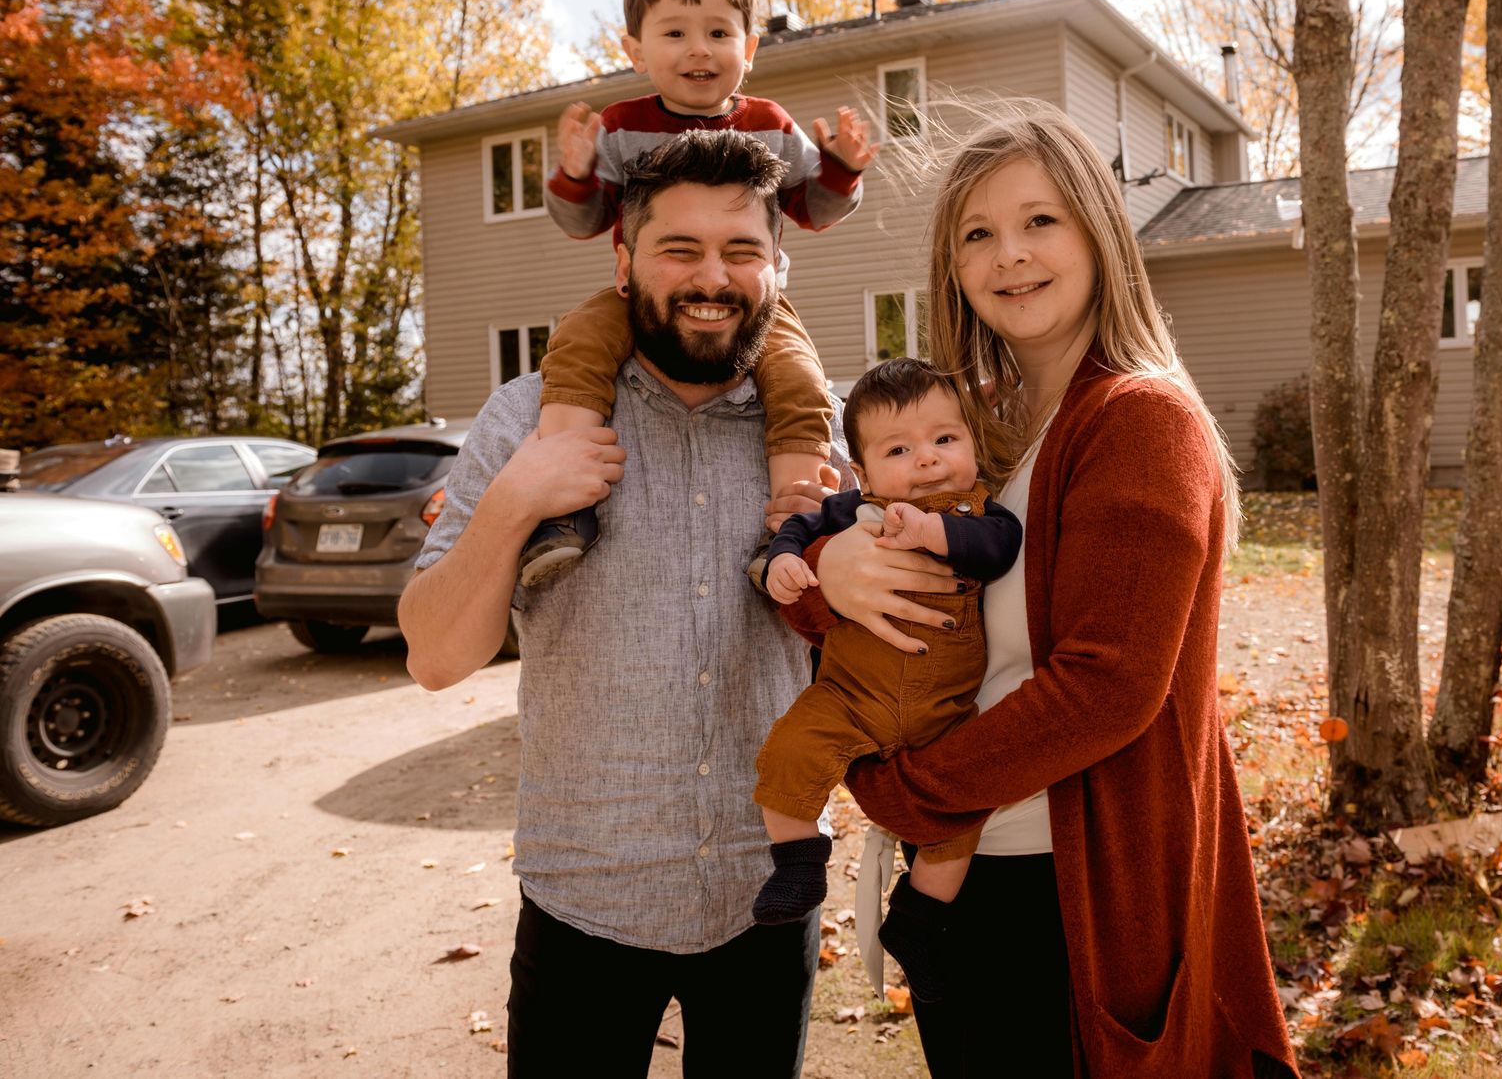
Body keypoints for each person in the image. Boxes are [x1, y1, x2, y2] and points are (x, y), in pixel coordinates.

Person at [779, 105, 1300, 1077]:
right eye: (979, 233)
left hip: (1064, 896)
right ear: (953, 264)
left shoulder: (1138, 419)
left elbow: (1107, 685)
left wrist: (899, 792)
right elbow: (857, 590)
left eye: (1040, 222)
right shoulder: (970, 439)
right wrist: (829, 574)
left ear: (1098, 231)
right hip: (972, 890)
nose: (1009, 255)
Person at [398, 129, 849, 1077]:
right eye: (678, 249)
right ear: (622, 259)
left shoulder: (821, 443)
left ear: (779, 265)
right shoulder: (528, 417)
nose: (711, 278)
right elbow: (435, 658)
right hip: (583, 899)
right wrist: (519, 497)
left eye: (740, 252)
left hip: (766, 894)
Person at [522, 0, 872, 585]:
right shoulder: (623, 127)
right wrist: (575, 174)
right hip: (641, 300)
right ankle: (563, 509)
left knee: (799, 381)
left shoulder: (770, 123)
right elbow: (587, 220)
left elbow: (810, 210)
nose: (699, 49)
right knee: (577, 345)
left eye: (718, 31)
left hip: (755, 310)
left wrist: (844, 170)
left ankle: (792, 529)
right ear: (634, 49)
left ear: (751, 46)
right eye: (675, 32)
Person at [752, 357, 1021, 1005]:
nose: (927, 459)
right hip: (851, 698)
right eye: (900, 449)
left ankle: (919, 920)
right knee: (787, 751)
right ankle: (798, 862)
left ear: (972, 444)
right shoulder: (853, 511)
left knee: (961, 819)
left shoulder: (981, 511)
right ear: (865, 473)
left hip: (945, 714)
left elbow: (999, 548)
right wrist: (784, 559)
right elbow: (799, 525)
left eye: (944, 440)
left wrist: (935, 530)